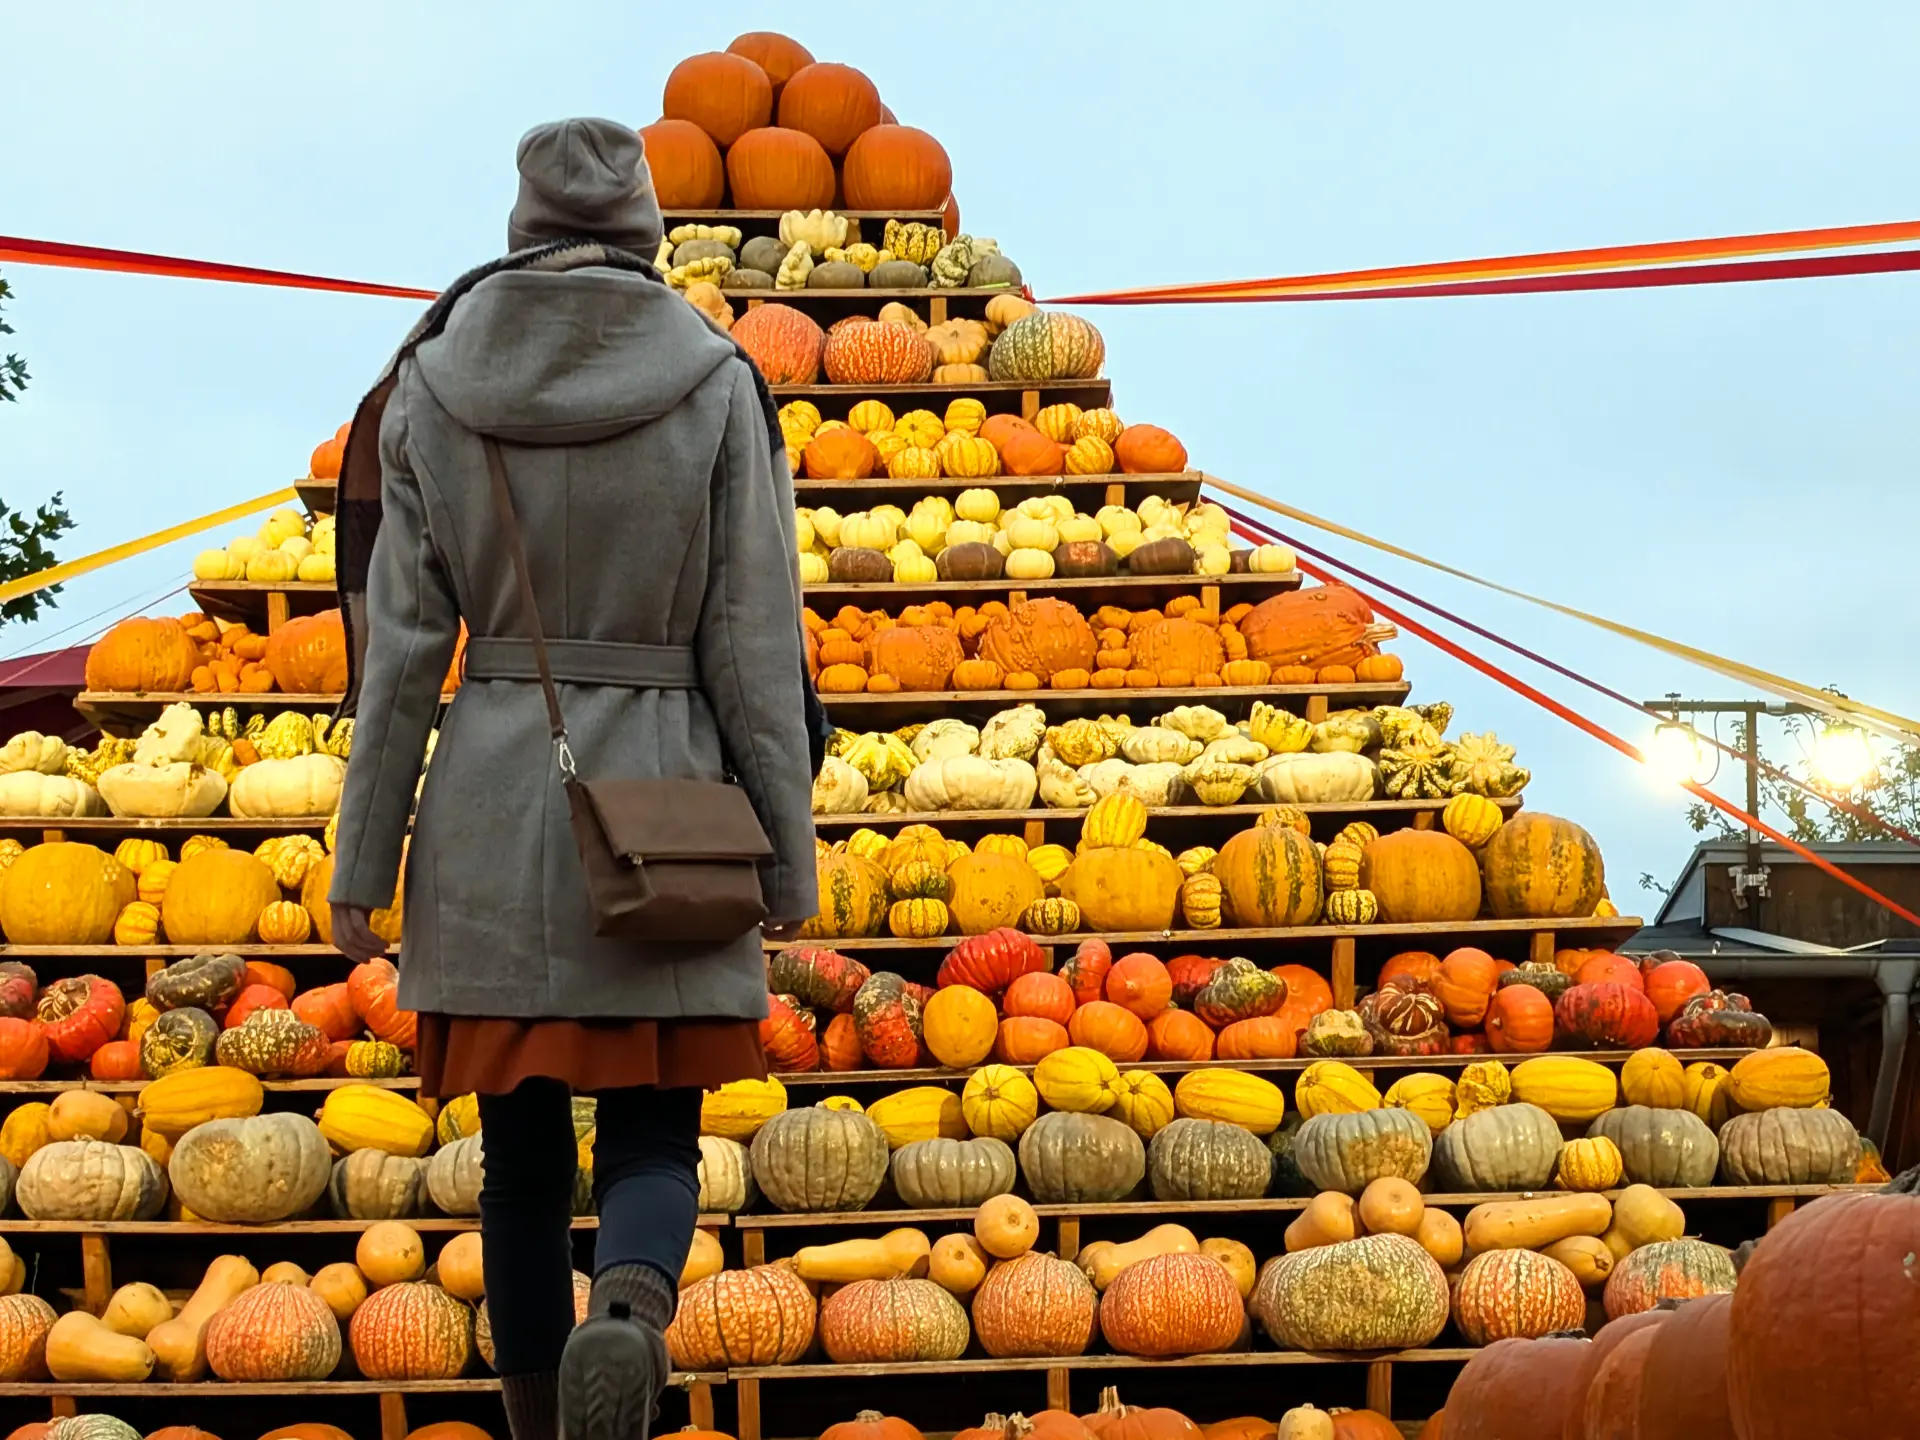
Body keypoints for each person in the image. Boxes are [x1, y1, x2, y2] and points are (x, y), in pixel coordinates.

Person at [326, 117, 821, 1440]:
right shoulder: (716, 379)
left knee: (521, 1166)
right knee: (654, 1137)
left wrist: (361, 865)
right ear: (645, 223)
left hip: (491, 802)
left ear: (523, 221)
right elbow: (753, 642)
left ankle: (544, 1422)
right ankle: (631, 1320)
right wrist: (787, 852)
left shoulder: (431, 382)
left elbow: (400, 653)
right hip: (668, 810)